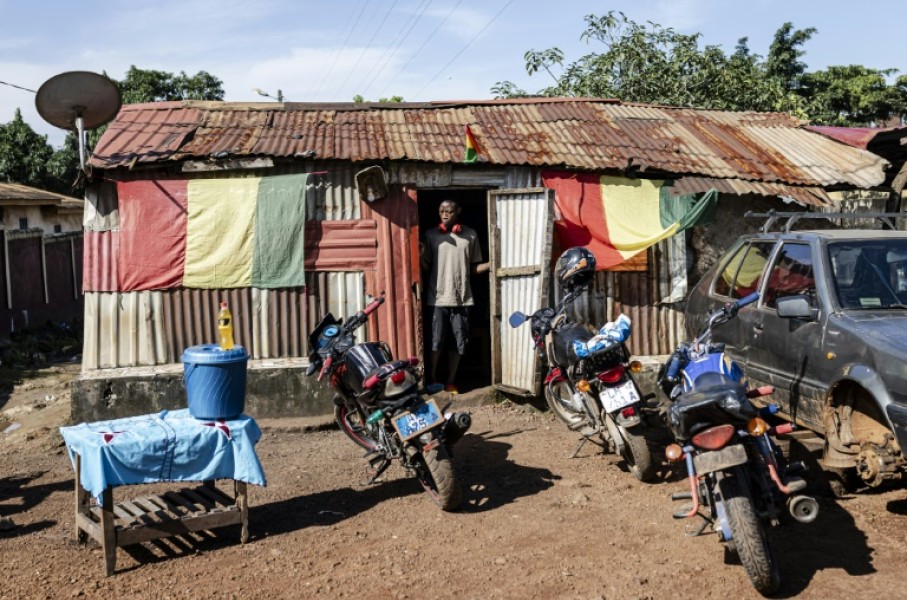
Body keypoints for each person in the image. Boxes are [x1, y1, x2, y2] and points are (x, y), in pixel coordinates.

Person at [421, 200, 489, 393]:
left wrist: (494, 264)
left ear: (458, 211)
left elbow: (475, 266)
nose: (444, 215)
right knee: (436, 342)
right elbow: (425, 267)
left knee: (459, 343)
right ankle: (433, 380)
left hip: (463, 299)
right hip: (437, 299)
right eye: (441, 211)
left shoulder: (470, 235)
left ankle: (451, 381)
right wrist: (419, 255)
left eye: (449, 211)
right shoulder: (431, 235)